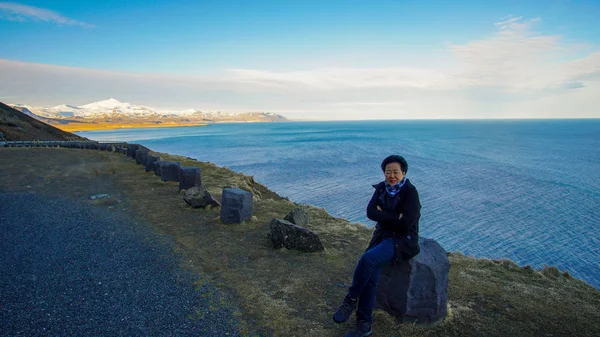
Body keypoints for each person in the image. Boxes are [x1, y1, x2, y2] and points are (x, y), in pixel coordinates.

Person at [333, 155, 421, 337]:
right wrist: (395, 216)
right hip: (382, 236)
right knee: (370, 276)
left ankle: (351, 298)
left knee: (367, 259)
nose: (392, 176)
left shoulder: (410, 193)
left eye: (396, 172)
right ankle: (364, 324)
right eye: (388, 172)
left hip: (402, 240)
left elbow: (406, 224)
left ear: (403, 173)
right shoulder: (381, 189)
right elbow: (370, 212)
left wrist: (385, 215)